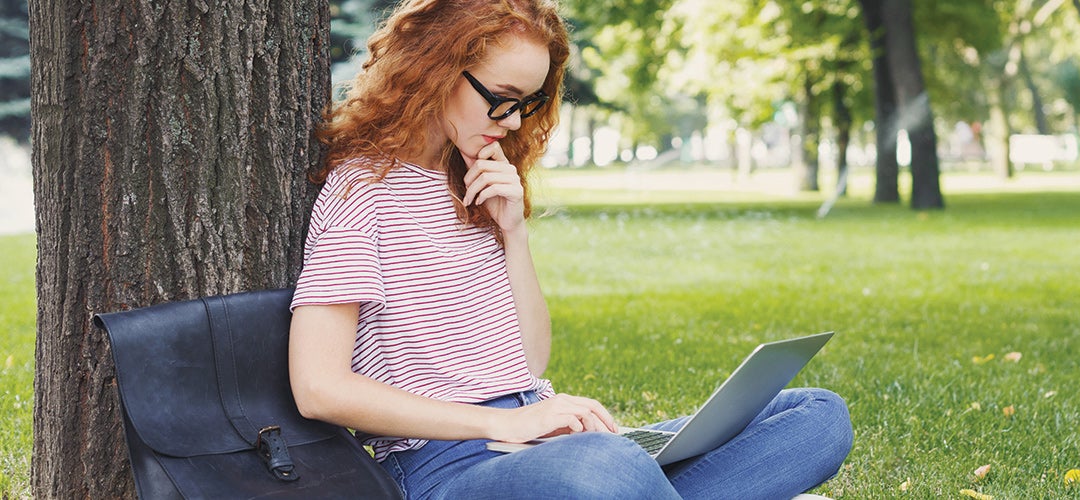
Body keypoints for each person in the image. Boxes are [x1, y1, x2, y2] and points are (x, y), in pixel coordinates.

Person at [285, 0, 854, 498]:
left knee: (820, 417)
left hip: (545, 441)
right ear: (435, 69)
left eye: (526, 103)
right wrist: (502, 426)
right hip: (446, 464)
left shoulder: (479, 181)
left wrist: (513, 233)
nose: (509, 122)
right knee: (608, 468)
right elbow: (320, 388)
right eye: (500, 98)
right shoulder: (363, 191)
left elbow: (530, 365)